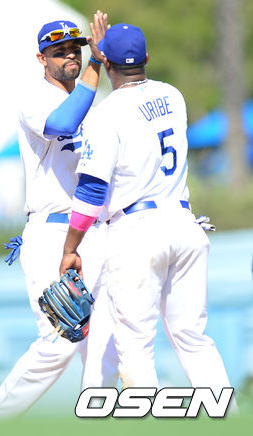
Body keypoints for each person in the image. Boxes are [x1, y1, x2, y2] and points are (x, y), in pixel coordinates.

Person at [60, 23, 233, 397]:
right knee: (193, 338)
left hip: (137, 230)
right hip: (184, 223)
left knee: (135, 347)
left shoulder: (107, 113)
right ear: (147, 59)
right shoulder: (173, 96)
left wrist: (71, 247)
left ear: (106, 62)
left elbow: (91, 189)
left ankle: (145, 420)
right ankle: (227, 417)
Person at [0, 13, 119, 422]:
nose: (70, 54)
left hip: (96, 230)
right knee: (59, 341)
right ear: (42, 58)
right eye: (59, 51)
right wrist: (96, 63)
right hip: (53, 234)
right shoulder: (35, 100)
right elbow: (62, 123)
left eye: (76, 48)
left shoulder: (94, 105)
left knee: (106, 347)